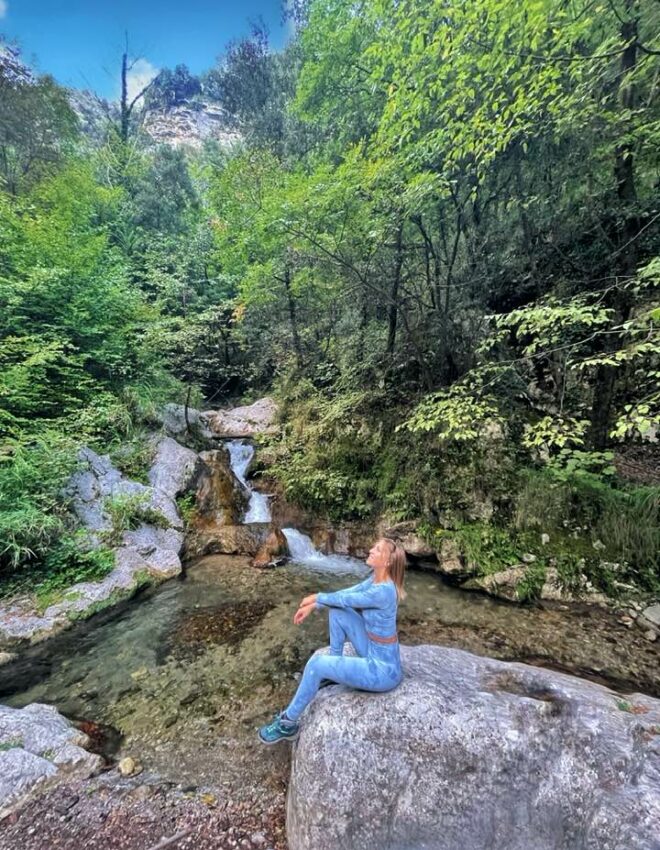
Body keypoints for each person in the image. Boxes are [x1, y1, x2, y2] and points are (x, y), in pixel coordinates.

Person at [258, 537, 407, 744]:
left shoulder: (383, 591)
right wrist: (315, 604)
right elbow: (347, 593)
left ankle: (287, 724)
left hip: (383, 670)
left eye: (377, 549)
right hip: (372, 649)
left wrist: (316, 597)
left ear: (388, 562)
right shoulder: (375, 579)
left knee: (317, 664)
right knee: (337, 612)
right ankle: (334, 666)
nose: (371, 550)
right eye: (373, 546)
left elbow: (347, 599)